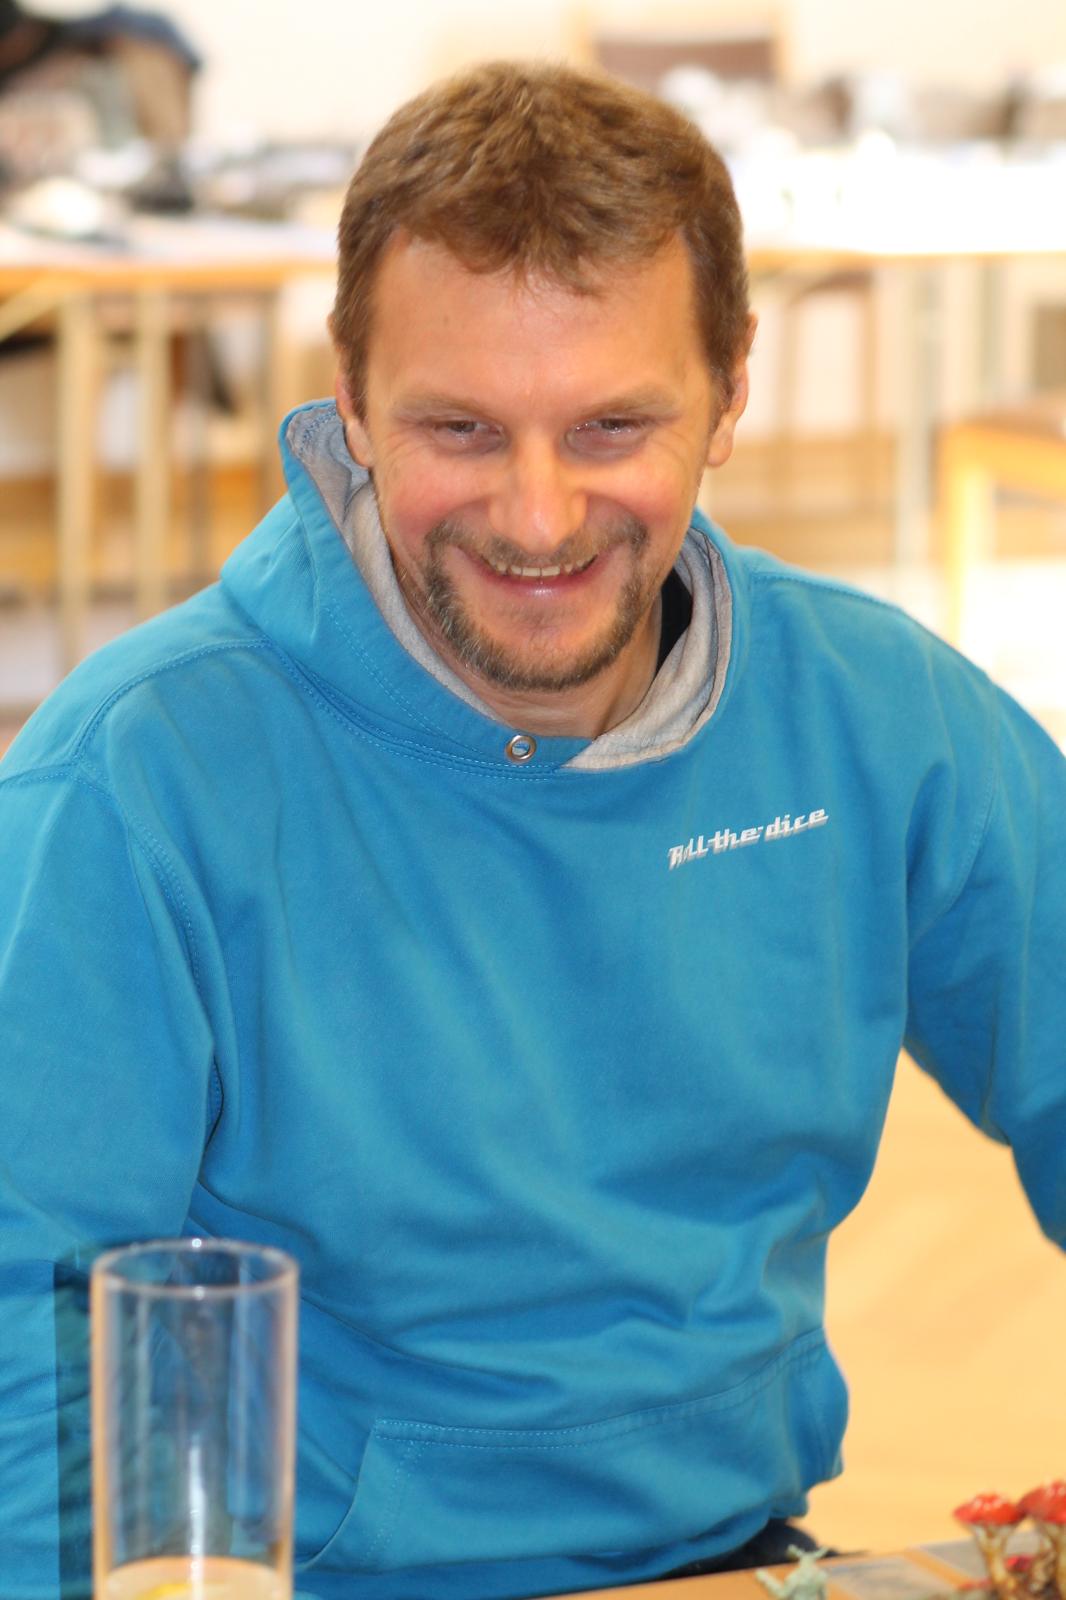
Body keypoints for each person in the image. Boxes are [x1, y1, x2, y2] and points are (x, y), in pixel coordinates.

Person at [1, 59, 1064, 1600]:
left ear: (731, 388)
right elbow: (16, 1343)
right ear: (350, 392)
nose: (539, 517)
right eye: (461, 429)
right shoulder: (133, 783)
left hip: (738, 1562)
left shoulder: (875, 712)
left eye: (612, 425)